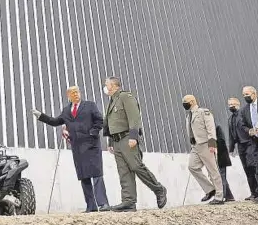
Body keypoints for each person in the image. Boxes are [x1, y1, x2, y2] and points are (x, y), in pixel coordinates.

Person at [31, 86, 110, 212]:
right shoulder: (66, 110)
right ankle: (91, 206)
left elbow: (99, 120)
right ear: (69, 96)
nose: (76, 94)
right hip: (77, 148)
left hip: (91, 145)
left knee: (96, 174)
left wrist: (92, 133)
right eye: (73, 93)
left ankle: (103, 204)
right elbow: (55, 121)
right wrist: (41, 116)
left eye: (77, 92)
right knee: (84, 176)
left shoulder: (90, 105)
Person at [102, 77, 167, 211]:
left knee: (136, 166)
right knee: (124, 172)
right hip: (117, 141)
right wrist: (110, 141)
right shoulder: (112, 101)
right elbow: (110, 123)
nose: (105, 87)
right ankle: (129, 202)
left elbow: (134, 116)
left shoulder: (125, 96)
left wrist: (133, 136)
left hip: (127, 138)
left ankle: (159, 189)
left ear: (114, 85)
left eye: (106, 84)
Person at [183, 94, 224, 205]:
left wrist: (212, 143)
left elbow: (210, 127)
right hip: (195, 146)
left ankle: (219, 196)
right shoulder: (189, 115)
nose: (184, 104)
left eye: (185, 101)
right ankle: (210, 189)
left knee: (212, 170)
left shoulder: (203, 112)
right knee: (192, 167)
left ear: (192, 101)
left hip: (206, 144)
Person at [227, 97, 258, 200]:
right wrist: (231, 149)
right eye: (229, 104)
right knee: (247, 169)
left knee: (252, 165)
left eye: (233, 104)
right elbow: (231, 135)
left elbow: (256, 123)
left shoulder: (245, 114)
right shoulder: (230, 119)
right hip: (241, 146)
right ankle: (254, 193)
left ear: (238, 104)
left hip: (250, 142)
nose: (231, 106)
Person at [215, 124, 235, 202]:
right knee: (221, 177)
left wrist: (213, 145)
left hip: (221, 156)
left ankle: (221, 196)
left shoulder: (217, 128)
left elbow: (221, 141)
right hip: (215, 157)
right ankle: (229, 196)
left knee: (221, 177)